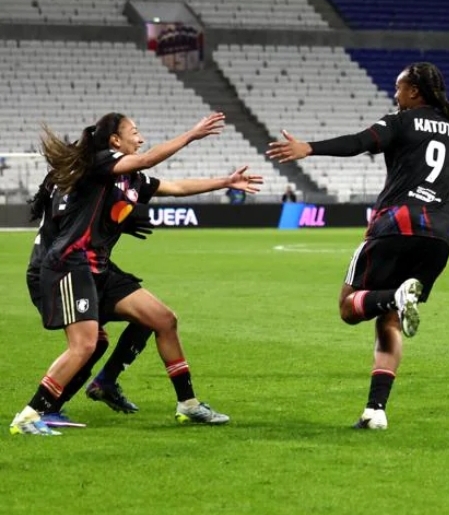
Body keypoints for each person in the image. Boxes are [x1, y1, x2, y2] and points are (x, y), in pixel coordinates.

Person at [266, 62, 449, 430]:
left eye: (399, 88)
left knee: (349, 307)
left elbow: (359, 143)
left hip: (395, 225)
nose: (395, 95)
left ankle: (394, 297)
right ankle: (375, 410)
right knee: (389, 320)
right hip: (439, 236)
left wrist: (308, 148)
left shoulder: (399, 122)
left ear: (414, 92)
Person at [9, 112, 261, 435]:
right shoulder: (101, 162)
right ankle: (31, 414)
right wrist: (191, 135)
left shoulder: (132, 181)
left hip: (99, 267)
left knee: (162, 319)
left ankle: (188, 404)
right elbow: (144, 160)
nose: (140, 138)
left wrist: (225, 182)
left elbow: (176, 186)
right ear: (115, 140)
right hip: (72, 265)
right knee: (86, 345)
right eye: (135, 132)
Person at [25, 170, 155, 428]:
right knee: (88, 344)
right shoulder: (73, 187)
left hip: (87, 269)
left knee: (148, 318)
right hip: (59, 270)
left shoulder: (71, 187)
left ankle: (96, 386)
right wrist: (116, 221)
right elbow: (75, 229)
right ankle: (37, 412)